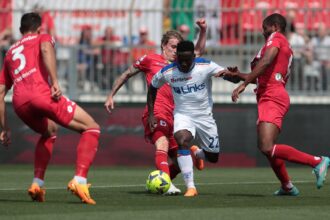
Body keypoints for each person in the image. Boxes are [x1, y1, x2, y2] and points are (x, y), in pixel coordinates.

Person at [222, 13, 330, 195]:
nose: (262, 32)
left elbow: (266, 61)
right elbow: (264, 74)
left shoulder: (277, 38)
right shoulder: (275, 43)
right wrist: (238, 75)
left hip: (273, 95)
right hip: (268, 94)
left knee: (265, 146)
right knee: (268, 147)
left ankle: (317, 161)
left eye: (265, 28)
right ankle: (287, 186)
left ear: (274, 27)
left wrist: (244, 83)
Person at [0, 12, 100, 205]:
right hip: (40, 94)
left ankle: (37, 184)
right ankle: (79, 180)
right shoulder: (42, 37)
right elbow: (46, 48)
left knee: (50, 132)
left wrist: (3, 128)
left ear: (21, 31)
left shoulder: (10, 53)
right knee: (92, 127)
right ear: (39, 28)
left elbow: (1, 91)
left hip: (20, 105)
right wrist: (55, 81)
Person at [105, 18, 207, 195]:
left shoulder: (181, 64)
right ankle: (167, 185)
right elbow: (127, 74)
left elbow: (198, 50)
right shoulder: (150, 60)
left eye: (178, 48)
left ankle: (166, 175)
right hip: (156, 112)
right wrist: (111, 95)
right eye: (173, 47)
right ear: (163, 46)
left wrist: (203, 30)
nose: (176, 51)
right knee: (162, 143)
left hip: (176, 116)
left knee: (180, 161)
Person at [147, 40, 232, 197]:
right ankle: (191, 187)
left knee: (213, 157)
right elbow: (152, 88)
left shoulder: (205, 66)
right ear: (177, 56)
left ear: (194, 56)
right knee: (181, 140)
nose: (184, 63)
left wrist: (234, 76)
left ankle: (197, 153)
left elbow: (228, 76)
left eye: (188, 59)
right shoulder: (168, 71)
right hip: (183, 114)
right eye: (181, 59)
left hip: (205, 116)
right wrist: (151, 114)